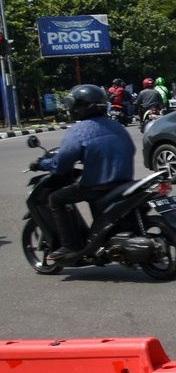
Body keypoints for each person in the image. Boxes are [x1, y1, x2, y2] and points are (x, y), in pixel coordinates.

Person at [33, 84, 136, 262]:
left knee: (55, 199)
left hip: (98, 185)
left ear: (80, 107)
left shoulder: (80, 131)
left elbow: (62, 163)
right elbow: (131, 149)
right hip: (123, 182)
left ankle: (70, 245)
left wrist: (42, 164)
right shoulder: (117, 126)